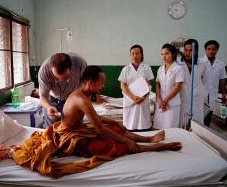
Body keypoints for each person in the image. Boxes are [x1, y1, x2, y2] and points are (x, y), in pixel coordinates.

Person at [11, 66, 182, 177]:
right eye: (101, 83)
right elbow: (99, 129)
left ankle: (148, 139)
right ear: (91, 83)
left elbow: (97, 119)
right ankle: (154, 147)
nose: (102, 85)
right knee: (114, 146)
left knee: (115, 129)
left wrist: (114, 123)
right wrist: (126, 140)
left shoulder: (83, 94)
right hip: (70, 139)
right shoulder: (81, 99)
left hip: (78, 130)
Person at [38, 52, 87, 128]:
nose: (61, 81)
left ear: (71, 68)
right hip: (52, 100)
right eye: (57, 78)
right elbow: (43, 97)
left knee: (75, 128)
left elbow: (85, 83)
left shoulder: (79, 63)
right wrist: (48, 107)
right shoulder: (44, 71)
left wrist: (74, 94)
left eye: (65, 77)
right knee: (51, 129)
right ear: (51, 69)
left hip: (73, 99)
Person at [118, 45, 154, 131]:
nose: (135, 56)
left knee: (143, 125)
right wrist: (132, 97)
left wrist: (142, 98)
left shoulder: (146, 68)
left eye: (137, 53)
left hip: (143, 100)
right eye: (132, 53)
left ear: (141, 55)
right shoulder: (125, 69)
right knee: (129, 126)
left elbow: (148, 85)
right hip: (130, 100)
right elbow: (123, 85)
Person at [153, 44, 184, 129]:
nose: (164, 56)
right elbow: (157, 84)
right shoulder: (160, 69)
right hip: (161, 103)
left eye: (167, 53)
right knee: (159, 128)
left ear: (173, 54)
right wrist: (159, 99)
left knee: (170, 128)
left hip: (172, 103)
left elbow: (178, 86)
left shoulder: (178, 68)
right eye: (162, 54)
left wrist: (166, 100)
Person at [177, 39, 206, 126]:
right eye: (186, 50)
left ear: (196, 51)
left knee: (197, 125)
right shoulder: (178, 62)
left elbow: (204, 79)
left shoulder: (203, 63)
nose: (187, 53)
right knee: (182, 123)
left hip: (197, 98)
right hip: (183, 97)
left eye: (191, 50)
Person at [202, 40, 226, 127]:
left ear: (217, 50)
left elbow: (222, 80)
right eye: (209, 49)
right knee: (199, 119)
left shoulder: (221, 64)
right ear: (205, 50)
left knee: (208, 118)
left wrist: (224, 94)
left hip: (213, 94)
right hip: (201, 94)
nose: (211, 51)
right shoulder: (200, 62)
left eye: (214, 49)